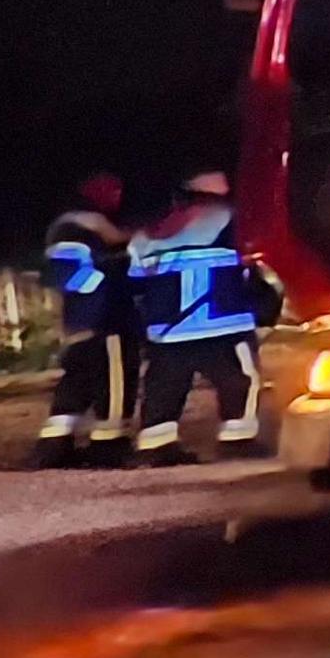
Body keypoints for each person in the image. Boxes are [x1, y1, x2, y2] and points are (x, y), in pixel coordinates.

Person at [128, 172, 264, 463]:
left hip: (167, 332)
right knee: (240, 380)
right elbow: (256, 262)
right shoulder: (233, 221)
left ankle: (156, 445)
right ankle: (237, 441)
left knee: (164, 387)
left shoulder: (148, 234)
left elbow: (135, 282)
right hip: (222, 324)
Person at [34, 173, 140, 467]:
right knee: (114, 381)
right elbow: (81, 273)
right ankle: (109, 445)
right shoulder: (82, 230)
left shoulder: (63, 231)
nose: (118, 196)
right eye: (114, 191)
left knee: (76, 382)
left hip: (79, 323)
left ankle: (55, 444)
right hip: (107, 322)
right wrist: (117, 280)